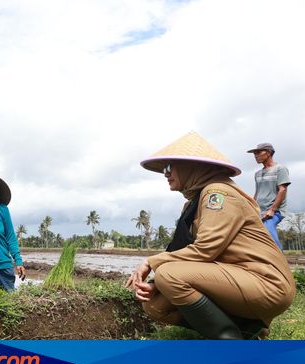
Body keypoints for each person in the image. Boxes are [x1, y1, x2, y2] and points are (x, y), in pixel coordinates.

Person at [125, 132, 295, 339]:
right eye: (163, 170)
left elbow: (205, 249)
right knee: (155, 305)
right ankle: (247, 329)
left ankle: (230, 340)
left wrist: (151, 262)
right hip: (234, 277)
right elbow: (183, 253)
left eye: (170, 168)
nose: (166, 174)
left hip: (265, 284)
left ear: (192, 167)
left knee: (169, 275)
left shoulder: (218, 193)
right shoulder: (194, 202)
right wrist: (154, 284)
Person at [247, 143, 290, 251]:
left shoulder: (280, 169)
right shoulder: (257, 173)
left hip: (274, 211)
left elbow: (282, 189)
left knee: (269, 234)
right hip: (259, 211)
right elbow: (257, 193)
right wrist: (251, 206)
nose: (256, 156)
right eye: (254, 154)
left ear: (269, 153)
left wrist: (272, 210)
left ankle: (280, 262)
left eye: (258, 152)